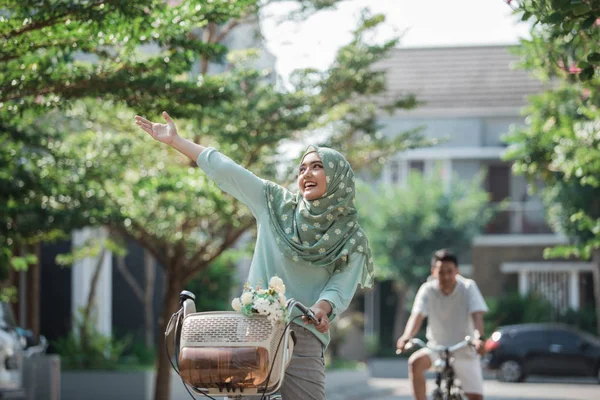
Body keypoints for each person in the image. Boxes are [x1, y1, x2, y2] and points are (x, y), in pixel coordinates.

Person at [135, 112, 374, 400]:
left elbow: (342, 282)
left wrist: (323, 308)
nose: (306, 174)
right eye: (301, 169)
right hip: (254, 332)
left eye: (317, 167)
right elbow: (229, 170)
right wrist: (176, 140)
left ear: (337, 177)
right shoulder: (275, 204)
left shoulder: (351, 237)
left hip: (305, 334)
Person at [396, 249, 488, 400]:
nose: (445, 276)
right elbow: (417, 316)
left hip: (464, 350)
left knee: (476, 397)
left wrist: (479, 338)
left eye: (449, 271)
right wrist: (407, 336)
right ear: (433, 272)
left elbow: (477, 315)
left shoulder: (468, 287)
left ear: (457, 271)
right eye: (441, 272)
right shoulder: (427, 290)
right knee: (415, 362)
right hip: (436, 349)